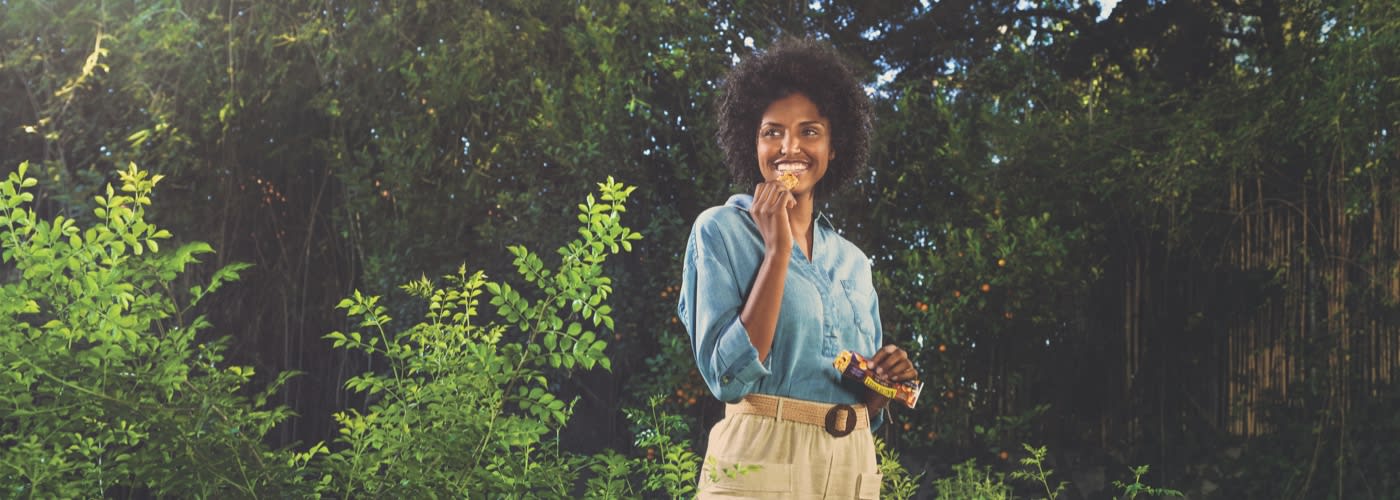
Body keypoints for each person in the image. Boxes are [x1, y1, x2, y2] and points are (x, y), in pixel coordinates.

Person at [677, 37, 918, 499]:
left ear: (833, 147)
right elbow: (727, 379)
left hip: (852, 460)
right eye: (772, 132)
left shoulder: (853, 261)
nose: (790, 147)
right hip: (761, 456)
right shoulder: (720, 230)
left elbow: (862, 396)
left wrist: (886, 380)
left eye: (810, 131)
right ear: (752, 142)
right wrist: (777, 251)